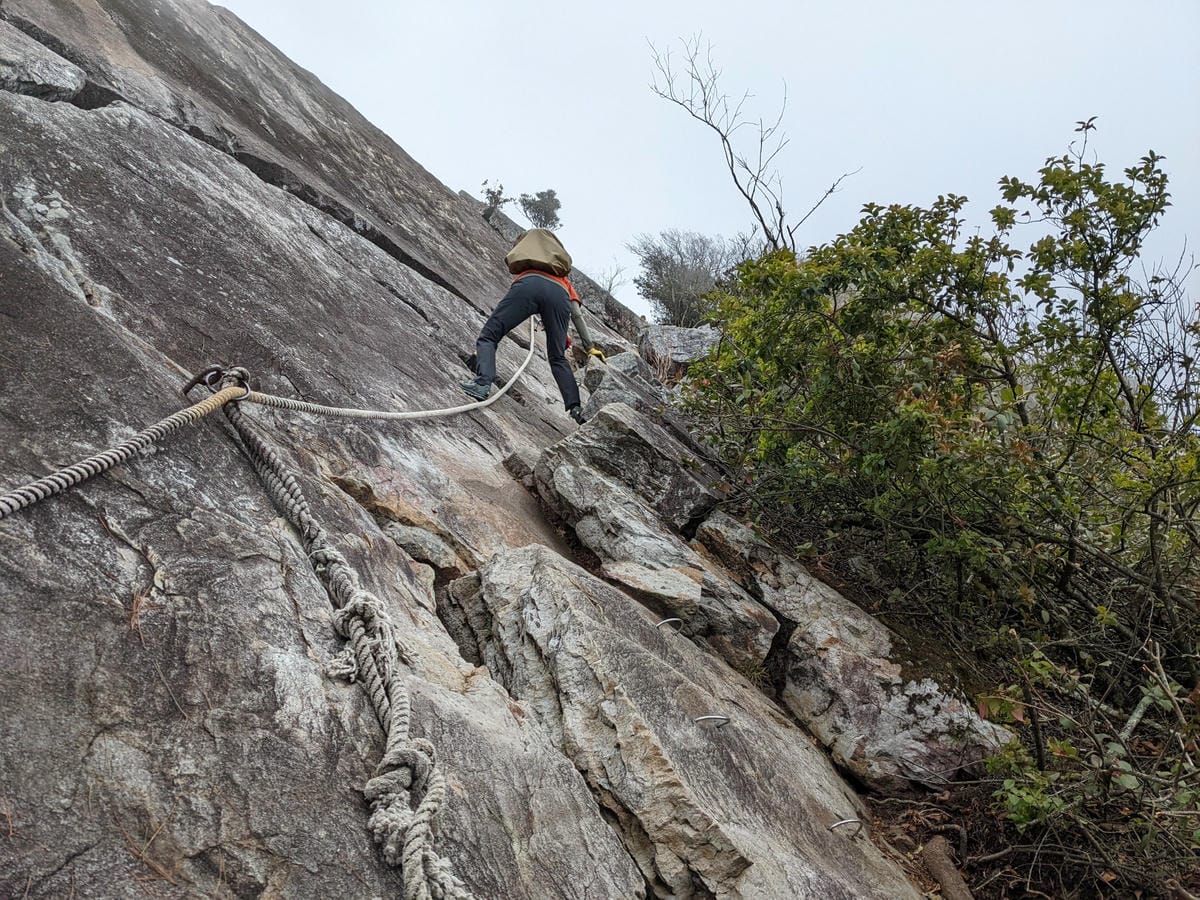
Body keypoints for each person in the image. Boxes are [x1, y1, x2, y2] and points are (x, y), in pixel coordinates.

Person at [461, 229, 605, 423]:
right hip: (559, 296)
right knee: (557, 358)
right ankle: (576, 409)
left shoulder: (529, 270)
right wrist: (590, 348)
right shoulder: (564, 281)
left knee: (489, 336)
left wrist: (483, 355)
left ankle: (482, 383)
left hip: (528, 285)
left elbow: (506, 316)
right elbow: (576, 315)